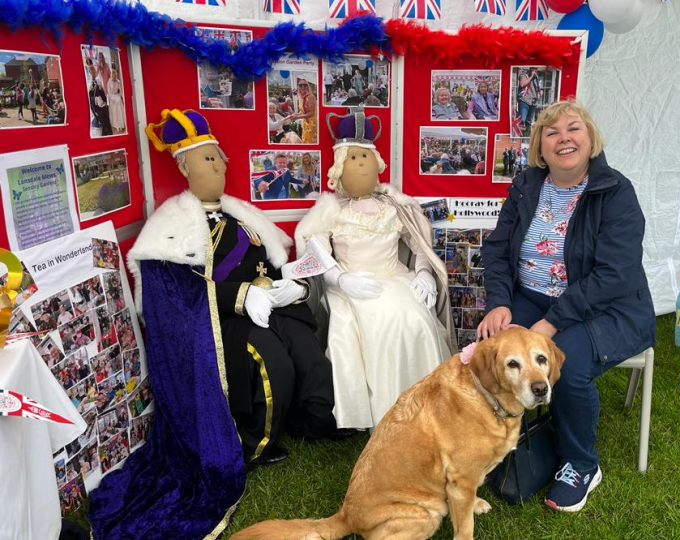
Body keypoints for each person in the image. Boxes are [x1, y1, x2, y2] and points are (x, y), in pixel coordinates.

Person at [88, 109, 339, 540]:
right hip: (216, 322)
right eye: (207, 159)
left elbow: (271, 261)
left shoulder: (242, 216)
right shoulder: (168, 228)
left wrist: (285, 287)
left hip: (266, 305)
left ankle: (311, 420)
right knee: (271, 361)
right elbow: (175, 299)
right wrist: (243, 296)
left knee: (305, 346)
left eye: (219, 158)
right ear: (184, 167)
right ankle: (254, 446)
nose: (219, 166)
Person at [477, 101, 655, 513]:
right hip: (534, 297)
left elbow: (616, 274)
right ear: (540, 145)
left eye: (573, 128)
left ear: (590, 138)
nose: (564, 138)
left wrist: (550, 323)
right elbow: (499, 249)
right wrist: (501, 302)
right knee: (487, 350)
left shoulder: (615, 192)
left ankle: (581, 462)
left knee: (565, 365)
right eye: (551, 132)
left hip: (609, 307)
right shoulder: (526, 185)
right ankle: (499, 441)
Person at [295, 107, 456, 429]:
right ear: (339, 166)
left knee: (415, 319)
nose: (360, 165)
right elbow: (316, 252)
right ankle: (380, 411)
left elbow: (419, 244)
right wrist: (340, 278)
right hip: (352, 283)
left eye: (365, 158)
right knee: (376, 325)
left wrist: (424, 272)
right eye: (353, 158)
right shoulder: (329, 210)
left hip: (395, 275)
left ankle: (426, 403)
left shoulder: (394, 205)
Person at [293, 79, 317, 144]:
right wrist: (296, 114)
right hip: (305, 123)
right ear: (298, 87)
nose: (303, 87)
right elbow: (302, 111)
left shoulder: (310, 97)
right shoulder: (301, 97)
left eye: (305, 85)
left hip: (312, 123)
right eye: (300, 85)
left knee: (310, 142)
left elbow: (311, 113)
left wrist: (298, 117)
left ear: (307, 86)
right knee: (305, 141)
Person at [107, 66, 126, 134]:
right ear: (111, 75)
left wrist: (119, 96)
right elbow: (108, 92)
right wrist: (112, 98)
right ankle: (116, 125)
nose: (114, 76)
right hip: (111, 97)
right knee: (116, 104)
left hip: (116, 96)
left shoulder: (118, 81)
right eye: (112, 75)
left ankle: (121, 124)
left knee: (119, 102)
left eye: (115, 75)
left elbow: (120, 91)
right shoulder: (109, 81)